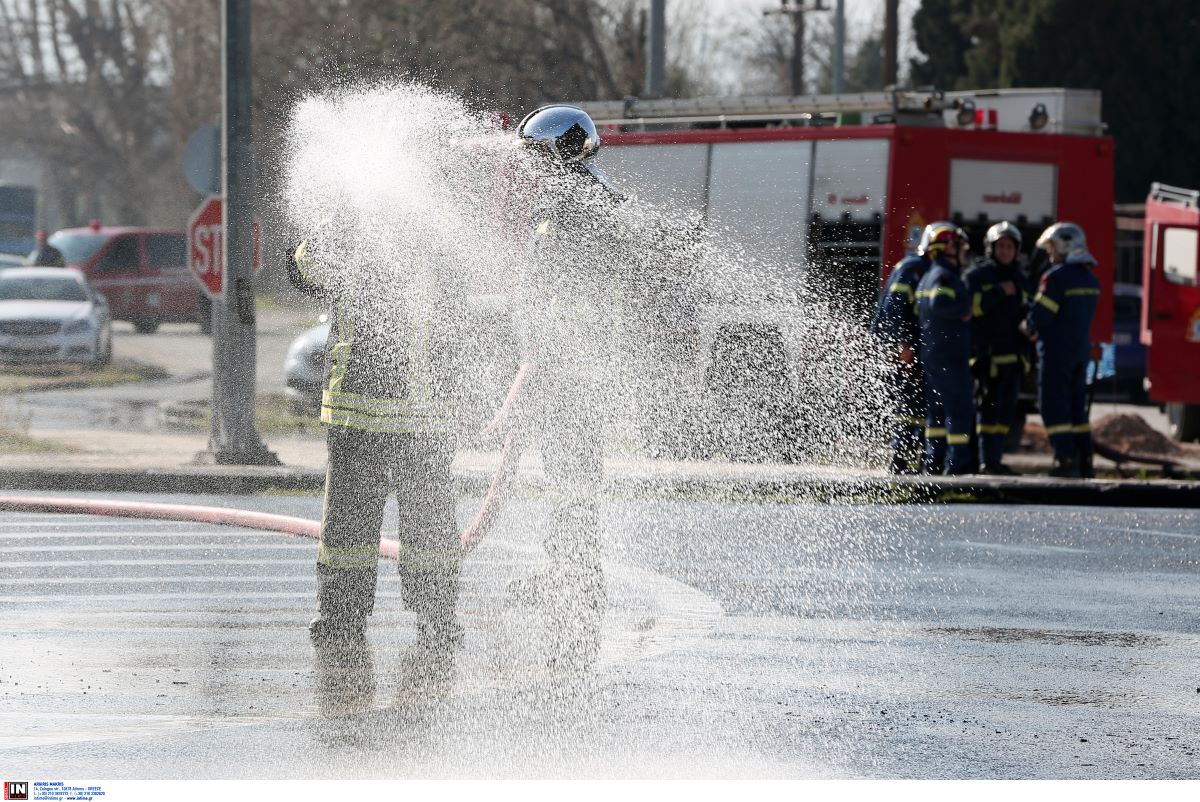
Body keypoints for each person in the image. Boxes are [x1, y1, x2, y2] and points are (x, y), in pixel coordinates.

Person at [289, 223, 468, 660]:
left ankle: (342, 618)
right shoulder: (438, 228)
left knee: (350, 527)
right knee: (430, 525)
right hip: (424, 414)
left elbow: (301, 268)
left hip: (360, 410)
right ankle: (437, 618)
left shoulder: (348, 229)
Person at [506, 104, 626, 672]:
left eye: (537, 157)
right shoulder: (599, 197)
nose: (533, 170)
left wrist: (533, 353)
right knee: (571, 487)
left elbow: (545, 285)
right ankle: (571, 575)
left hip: (567, 375)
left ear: (559, 152)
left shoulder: (567, 206)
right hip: (579, 372)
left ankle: (575, 583)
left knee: (571, 487)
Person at [1023, 221, 1101, 478]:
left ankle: (1064, 458)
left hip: (1056, 352)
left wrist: (1027, 323)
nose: (1050, 254)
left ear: (1066, 246)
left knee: (1053, 406)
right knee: (1077, 408)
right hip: (1080, 353)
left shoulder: (1055, 278)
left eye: (1052, 248)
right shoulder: (1090, 279)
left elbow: (1042, 315)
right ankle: (1084, 459)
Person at [963, 221, 1029, 474]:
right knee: (986, 411)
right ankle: (983, 461)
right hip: (986, 357)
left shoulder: (1020, 277)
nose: (1005, 251)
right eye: (1000, 246)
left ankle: (996, 459)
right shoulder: (976, 276)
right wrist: (999, 292)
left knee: (1005, 414)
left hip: (1013, 356)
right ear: (991, 248)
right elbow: (972, 309)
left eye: (1010, 246)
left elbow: (1028, 307)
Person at [870, 225, 936, 474]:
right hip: (902, 348)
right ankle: (900, 460)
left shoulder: (927, 269)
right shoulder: (913, 268)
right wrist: (904, 344)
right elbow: (895, 309)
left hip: (914, 349)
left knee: (917, 405)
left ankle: (911, 458)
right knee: (909, 404)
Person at [915, 223, 974, 475]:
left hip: (935, 353)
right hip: (949, 355)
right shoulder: (945, 276)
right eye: (960, 246)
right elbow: (939, 303)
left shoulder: (929, 274)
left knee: (936, 413)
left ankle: (934, 463)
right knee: (959, 408)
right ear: (949, 246)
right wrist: (964, 309)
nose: (963, 252)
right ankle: (957, 465)